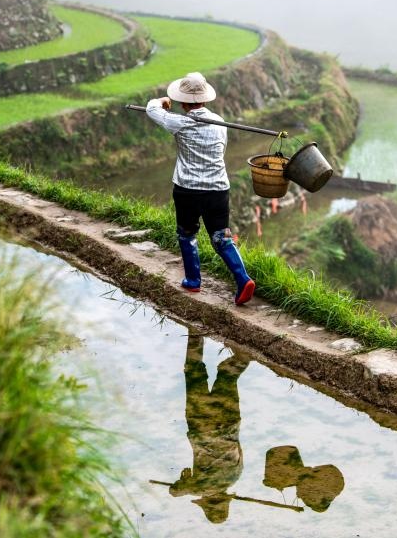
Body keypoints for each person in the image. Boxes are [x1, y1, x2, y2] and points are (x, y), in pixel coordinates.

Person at [146, 72, 256, 305]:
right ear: (205, 99)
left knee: (187, 233)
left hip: (188, 189)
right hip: (218, 190)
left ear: (183, 101)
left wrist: (163, 102)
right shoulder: (220, 123)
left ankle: (193, 281)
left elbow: (151, 109)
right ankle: (242, 278)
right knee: (222, 237)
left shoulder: (179, 122)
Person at [169, 330, 251, 523]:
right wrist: (185, 483)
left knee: (227, 377)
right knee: (193, 370)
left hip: (230, 423)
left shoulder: (236, 476)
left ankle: (243, 356)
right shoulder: (202, 488)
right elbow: (174, 491)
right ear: (207, 500)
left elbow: (239, 449)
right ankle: (195, 333)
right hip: (201, 424)